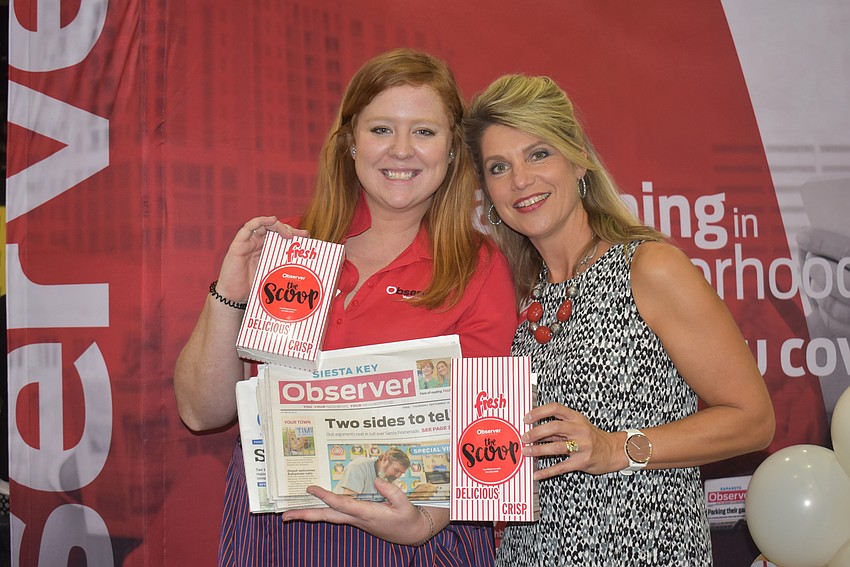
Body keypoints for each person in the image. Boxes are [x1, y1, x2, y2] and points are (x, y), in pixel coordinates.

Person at [174, 48, 517, 567]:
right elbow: (201, 412)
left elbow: (488, 435)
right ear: (350, 143)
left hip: (414, 544)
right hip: (278, 538)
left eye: (424, 132)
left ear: (451, 152)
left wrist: (425, 521)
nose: (401, 150)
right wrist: (230, 293)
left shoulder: (477, 266)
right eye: (381, 129)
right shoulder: (294, 249)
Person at [463, 74, 776, 566]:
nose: (521, 180)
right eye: (499, 167)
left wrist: (615, 448)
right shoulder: (516, 296)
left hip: (644, 552)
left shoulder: (648, 267)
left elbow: (754, 420)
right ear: (489, 195)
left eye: (538, 154)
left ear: (579, 159)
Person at [334, 448, 411, 497]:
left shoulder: (390, 477)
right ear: (384, 460)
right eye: (396, 470)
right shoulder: (359, 466)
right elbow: (348, 502)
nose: (398, 476)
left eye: (402, 473)